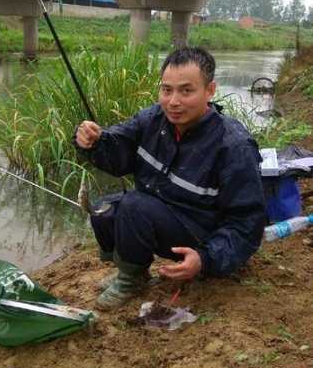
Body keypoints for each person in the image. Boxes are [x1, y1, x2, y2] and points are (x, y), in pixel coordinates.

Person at [74, 46, 266, 310]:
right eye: (167, 90)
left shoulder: (234, 145)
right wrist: (93, 141)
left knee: (133, 206)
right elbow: (117, 151)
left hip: (203, 237)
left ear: (210, 91)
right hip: (164, 215)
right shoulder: (152, 119)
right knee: (104, 210)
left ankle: (129, 280)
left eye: (186, 91)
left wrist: (205, 257)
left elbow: (248, 223)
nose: (173, 101)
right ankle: (132, 272)